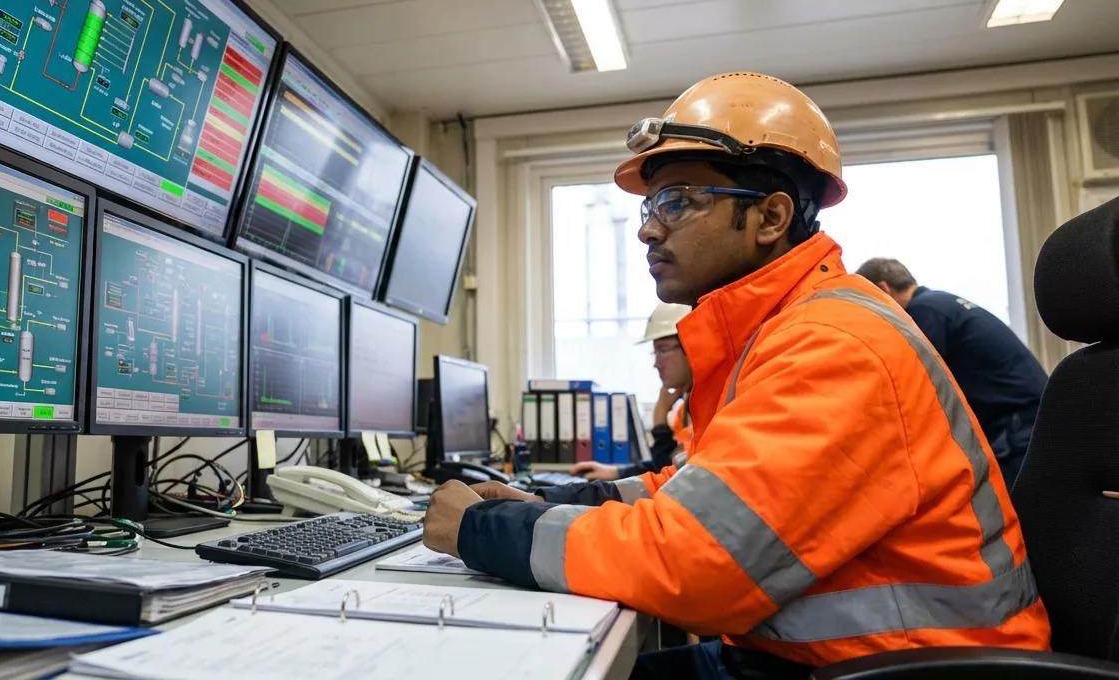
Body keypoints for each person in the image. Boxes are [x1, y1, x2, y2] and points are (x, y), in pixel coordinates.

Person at [422, 72, 1049, 679]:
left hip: (905, 670)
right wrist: (553, 501)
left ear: (771, 218)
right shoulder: (780, 329)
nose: (646, 228)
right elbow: (700, 494)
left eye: (678, 201)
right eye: (649, 204)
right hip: (847, 661)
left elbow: (697, 562)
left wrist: (479, 530)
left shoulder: (833, 345)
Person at [855, 258, 1047, 488]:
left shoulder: (922, 313)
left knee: (1020, 516)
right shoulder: (941, 304)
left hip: (1015, 430)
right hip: (1032, 418)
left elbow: (914, 383)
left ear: (883, 289)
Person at [571, 302, 693, 481]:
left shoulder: (712, 407)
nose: (656, 363)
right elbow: (665, 469)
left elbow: (671, 475)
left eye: (663, 350)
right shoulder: (685, 411)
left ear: (691, 347)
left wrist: (659, 421)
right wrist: (616, 472)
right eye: (654, 353)